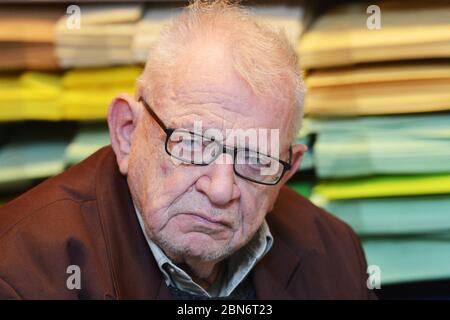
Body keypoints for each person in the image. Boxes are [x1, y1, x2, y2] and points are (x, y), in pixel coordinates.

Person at [0, 0, 376, 299]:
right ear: (127, 133)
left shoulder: (333, 251)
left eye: (255, 156)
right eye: (193, 144)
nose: (220, 190)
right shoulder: (18, 275)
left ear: (287, 171)